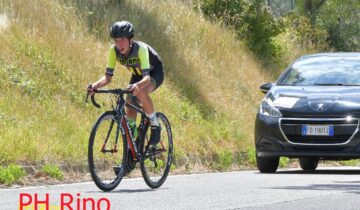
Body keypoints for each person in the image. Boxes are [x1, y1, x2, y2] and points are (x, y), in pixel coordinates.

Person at [87, 20, 164, 147]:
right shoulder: (114, 51)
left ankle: (155, 125)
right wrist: (95, 85)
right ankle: (131, 150)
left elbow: (146, 78)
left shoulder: (141, 49)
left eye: (122, 40)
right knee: (130, 106)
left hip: (153, 72)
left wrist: (138, 86)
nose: (119, 44)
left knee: (141, 92)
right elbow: (107, 77)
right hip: (137, 75)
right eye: (116, 40)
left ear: (131, 39)